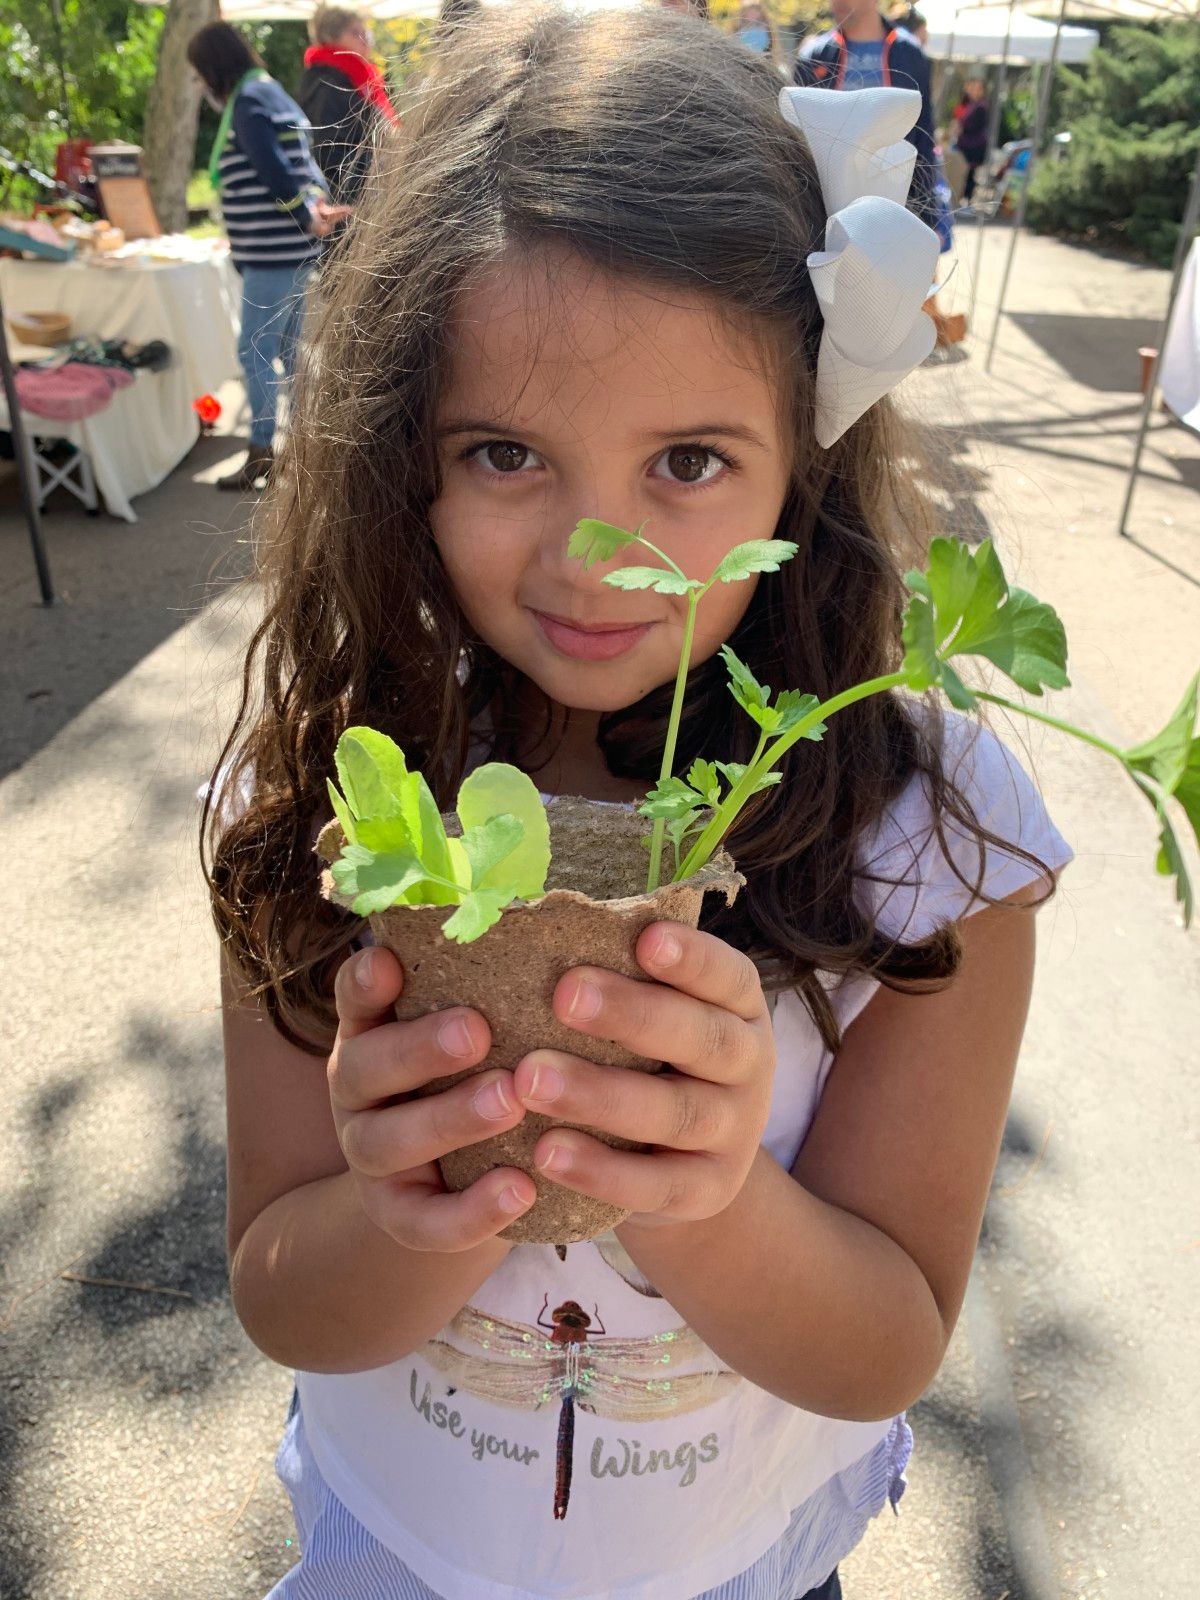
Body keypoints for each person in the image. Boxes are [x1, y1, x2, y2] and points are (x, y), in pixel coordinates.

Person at [203, 8, 1071, 1598]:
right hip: (400, 1541)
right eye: (504, 452)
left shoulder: (931, 835)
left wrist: (706, 1196)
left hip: (733, 1556)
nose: (595, 559)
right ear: (402, 450)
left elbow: (885, 1343)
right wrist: (417, 1202)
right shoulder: (332, 784)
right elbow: (280, 1291)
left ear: (805, 459)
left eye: (687, 460)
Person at [187, 22, 348, 492]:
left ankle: (262, 451)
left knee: (255, 350)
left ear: (214, 66)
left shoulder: (248, 102)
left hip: (273, 252)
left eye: (200, 72)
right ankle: (303, 446)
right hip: (291, 249)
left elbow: (272, 166)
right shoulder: (274, 95)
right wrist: (313, 206)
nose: (200, 83)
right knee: (289, 351)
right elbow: (305, 166)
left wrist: (302, 212)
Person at [795, 0, 937, 226]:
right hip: (823, 211)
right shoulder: (814, 56)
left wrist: (929, 217)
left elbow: (924, 136)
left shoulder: (910, 54)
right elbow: (796, 138)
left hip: (894, 208)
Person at [296, 6, 399, 206]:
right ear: (331, 37)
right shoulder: (328, 84)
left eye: (365, 32)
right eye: (355, 33)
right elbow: (331, 156)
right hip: (350, 206)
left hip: (362, 199)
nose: (365, 39)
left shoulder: (353, 77)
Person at [954, 78, 991, 206]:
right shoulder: (971, 104)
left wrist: (962, 128)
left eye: (976, 89)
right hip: (967, 146)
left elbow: (973, 126)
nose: (973, 91)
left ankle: (967, 200)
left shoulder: (981, 107)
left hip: (974, 147)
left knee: (969, 174)